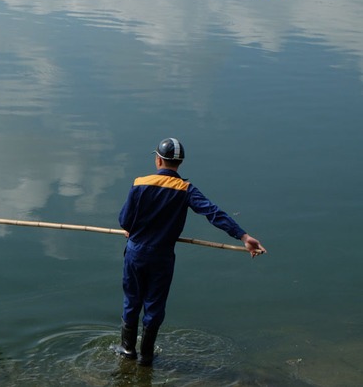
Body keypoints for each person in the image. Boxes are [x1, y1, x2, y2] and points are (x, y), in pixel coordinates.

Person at [114, 138, 266, 366]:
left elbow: (124, 220)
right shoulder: (185, 189)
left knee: (132, 301)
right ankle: (146, 356)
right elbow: (213, 213)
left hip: (136, 253)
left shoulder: (139, 183)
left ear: (158, 159)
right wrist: (243, 236)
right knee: (154, 306)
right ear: (180, 163)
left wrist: (130, 230)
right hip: (162, 258)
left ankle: (127, 351)